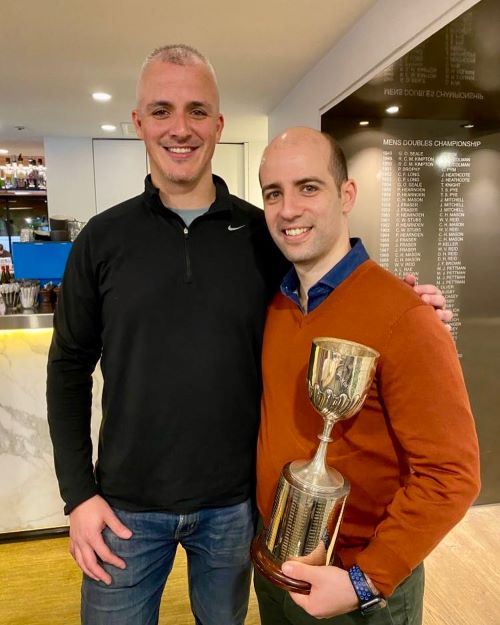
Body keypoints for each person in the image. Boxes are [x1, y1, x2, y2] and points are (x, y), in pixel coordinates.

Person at [47, 45, 450, 625]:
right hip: (123, 508)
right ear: (138, 122)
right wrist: (78, 495)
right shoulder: (101, 240)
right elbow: (68, 368)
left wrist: (408, 302)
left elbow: (329, 279)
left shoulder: (263, 235)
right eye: (161, 110)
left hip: (234, 512)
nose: (180, 128)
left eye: (197, 110)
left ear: (218, 124)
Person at [254, 127, 481, 625]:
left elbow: (452, 475)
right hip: (274, 567)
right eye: (273, 193)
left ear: (346, 195)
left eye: (308, 187)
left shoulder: (407, 316)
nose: (288, 209)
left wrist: (364, 580)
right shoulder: (274, 305)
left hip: (355, 586)